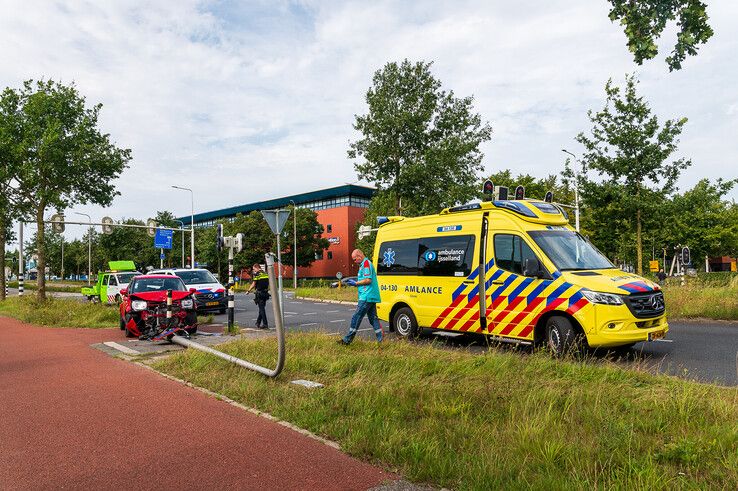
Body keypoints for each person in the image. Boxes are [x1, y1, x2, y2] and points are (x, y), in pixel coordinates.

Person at [339, 249, 383, 344]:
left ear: (359, 256)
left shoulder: (366, 264)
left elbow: (368, 280)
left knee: (356, 317)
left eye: (355, 259)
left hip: (366, 296)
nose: (354, 262)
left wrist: (356, 283)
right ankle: (381, 340)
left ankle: (347, 340)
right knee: (373, 318)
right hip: (371, 296)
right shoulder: (364, 264)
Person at [247, 263, 270, 329]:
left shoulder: (257, 274)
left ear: (257, 267)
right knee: (261, 308)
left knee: (262, 309)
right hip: (265, 293)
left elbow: (253, 284)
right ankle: (258, 322)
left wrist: (248, 291)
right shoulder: (266, 274)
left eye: (254, 269)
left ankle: (265, 324)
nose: (254, 271)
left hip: (259, 293)